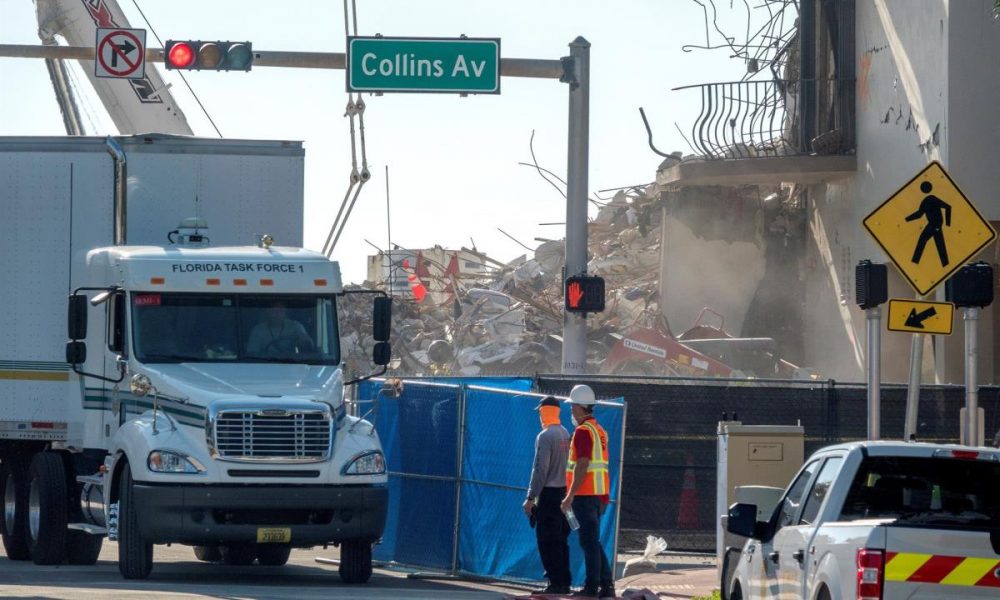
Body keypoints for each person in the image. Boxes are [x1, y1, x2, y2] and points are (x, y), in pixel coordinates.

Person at [561, 384, 614, 599]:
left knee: (589, 542)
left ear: (581, 407)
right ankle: (606, 585)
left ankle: (592, 588)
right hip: (598, 495)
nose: (571, 410)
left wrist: (570, 494)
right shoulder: (599, 430)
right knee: (593, 541)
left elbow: (582, 464)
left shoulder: (583, 432)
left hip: (584, 494)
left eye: (573, 406)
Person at [522, 396, 571, 595]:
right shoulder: (565, 433)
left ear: (544, 412)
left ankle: (554, 583)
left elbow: (540, 469)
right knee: (560, 540)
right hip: (564, 493)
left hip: (549, 495)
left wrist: (531, 497)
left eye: (540, 412)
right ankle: (564, 581)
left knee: (547, 540)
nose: (539, 416)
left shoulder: (545, 436)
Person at [246, 301, 313, 354]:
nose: (277, 314)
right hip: (263, 364)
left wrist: (304, 341)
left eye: (280, 311)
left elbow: (308, 345)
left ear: (285, 312)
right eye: (273, 311)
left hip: (291, 363)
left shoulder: (295, 326)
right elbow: (252, 353)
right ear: (267, 312)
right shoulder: (258, 330)